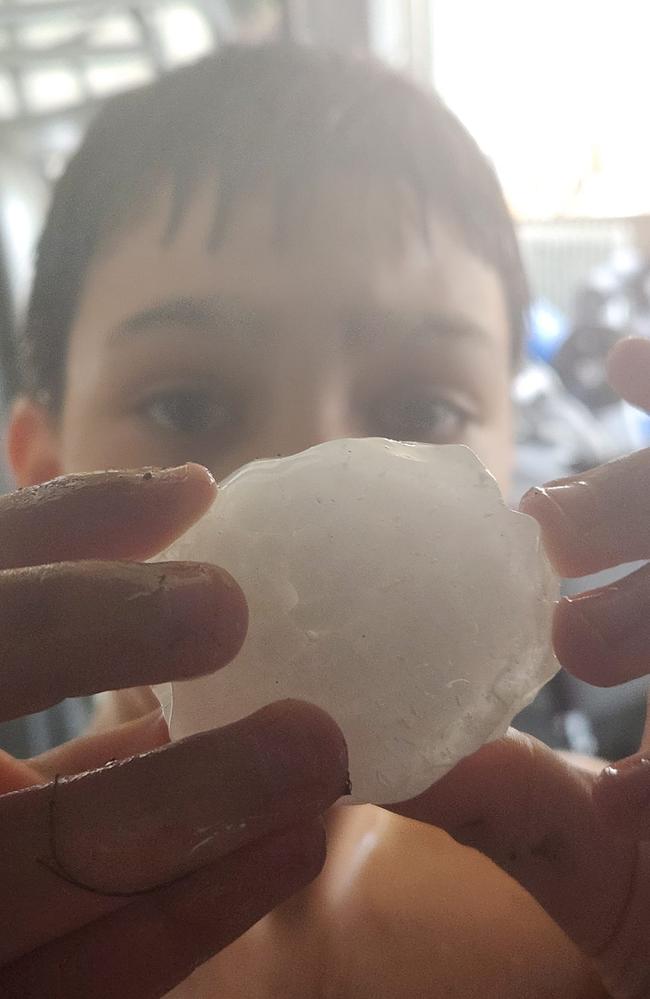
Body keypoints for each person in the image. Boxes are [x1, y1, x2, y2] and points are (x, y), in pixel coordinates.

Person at [1, 42, 649, 997]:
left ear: (514, 456)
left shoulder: (598, 903)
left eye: (422, 411)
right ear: (42, 475)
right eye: (187, 404)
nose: (300, 468)